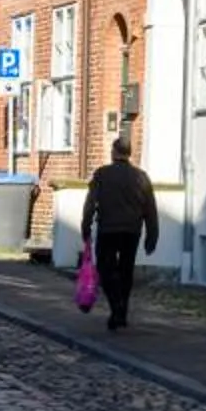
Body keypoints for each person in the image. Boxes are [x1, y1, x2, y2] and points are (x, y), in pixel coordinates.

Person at [79, 136, 159, 332]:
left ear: (113, 152)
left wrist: (86, 227)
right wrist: (152, 236)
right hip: (132, 231)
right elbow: (150, 208)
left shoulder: (102, 175)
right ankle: (121, 312)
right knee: (126, 270)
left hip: (108, 229)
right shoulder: (141, 177)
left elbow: (90, 204)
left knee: (106, 270)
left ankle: (117, 305)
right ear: (129, 153)